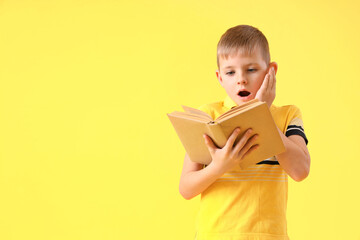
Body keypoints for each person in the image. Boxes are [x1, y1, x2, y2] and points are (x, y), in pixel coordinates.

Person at [179, 25, 311, 240]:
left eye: (251, 69)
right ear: (220, 77)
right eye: (230, 72)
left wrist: (262, 114)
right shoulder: (208, 115)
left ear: (271, 71)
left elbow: (300, 170)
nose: (241, 79)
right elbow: (186, 188)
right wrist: (219, 167)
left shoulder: (288, 115)